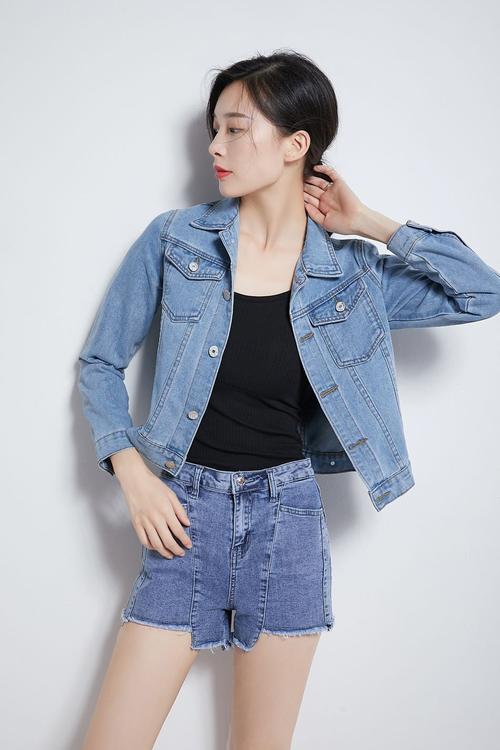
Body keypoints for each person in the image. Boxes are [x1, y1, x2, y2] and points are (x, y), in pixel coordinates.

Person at [78, 50, 500, 750]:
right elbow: (99, 363)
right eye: (214, 130)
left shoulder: (351, 276)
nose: (215, 147)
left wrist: (369, 222)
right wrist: (133, 475)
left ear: (296, 144)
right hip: (183, 517)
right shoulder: (176, 241)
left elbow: (482, 292)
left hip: (288, 522)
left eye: (236, 129)